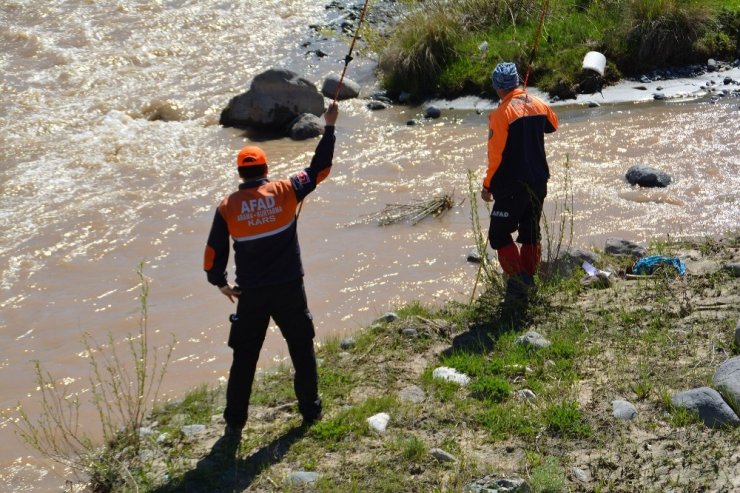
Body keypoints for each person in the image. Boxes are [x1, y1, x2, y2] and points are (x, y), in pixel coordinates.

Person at [203, 103, 339, 446]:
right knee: (301, 348)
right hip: (289, 289)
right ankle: (310, 412)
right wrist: (330, 127)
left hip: (250, 295)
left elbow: (212, 254)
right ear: (266, 168)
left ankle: (234, 424)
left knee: (244, 359)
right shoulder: (286, 189)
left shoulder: (227, 206)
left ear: (240, 173)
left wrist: (219, 283)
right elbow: (320, 169)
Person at [481, 62, 559, 322]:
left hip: (511, 185)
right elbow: (553, 125)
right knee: (530, 233)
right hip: (539, 181)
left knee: (499, 233)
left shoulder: (500, 114)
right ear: (515, 83)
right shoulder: (537, 103)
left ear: (496, 87)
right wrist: (527, 101)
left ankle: (518, 283)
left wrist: (487, 185)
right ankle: (528, 282)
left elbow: (495, 155)